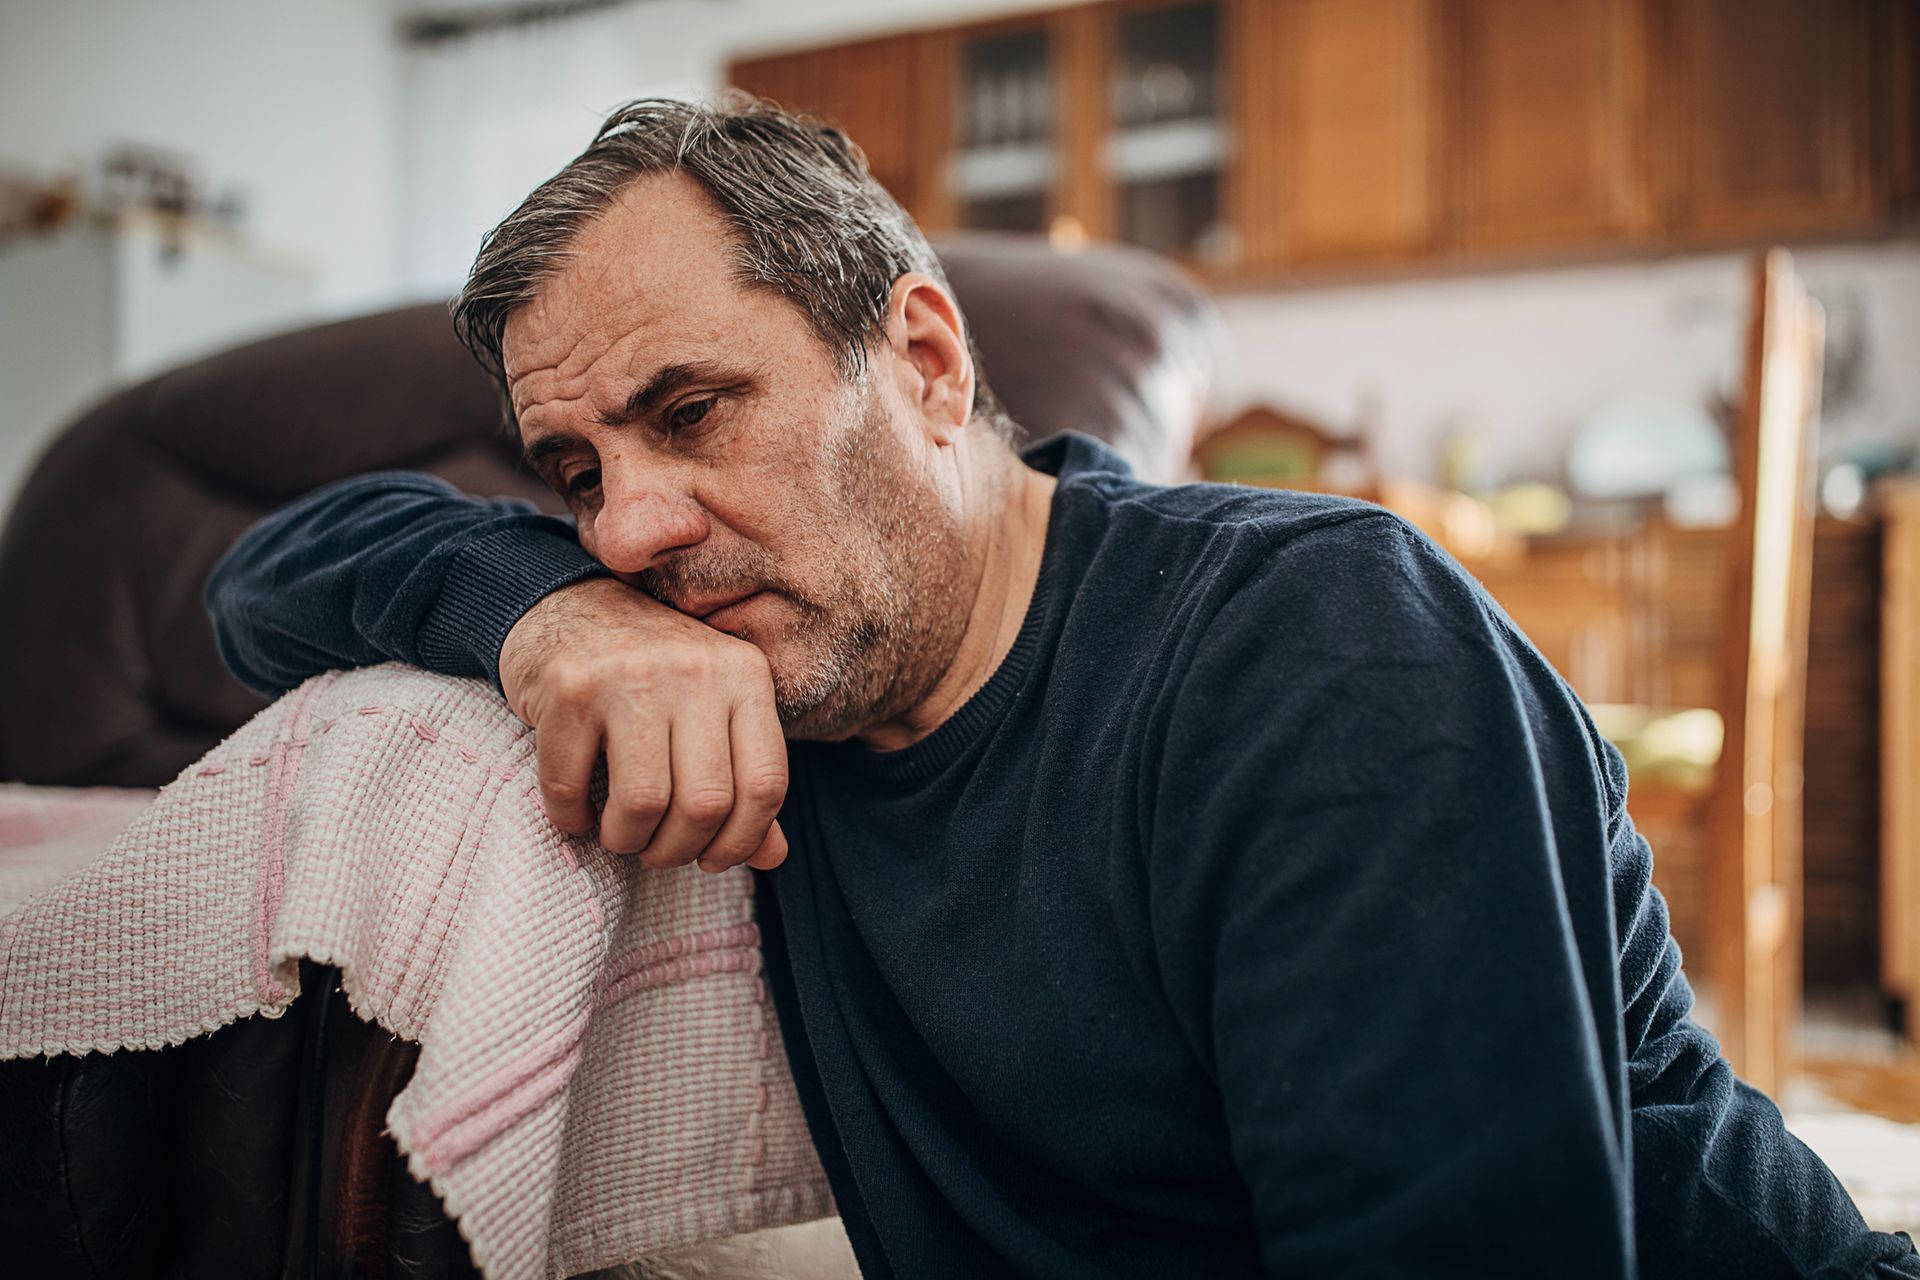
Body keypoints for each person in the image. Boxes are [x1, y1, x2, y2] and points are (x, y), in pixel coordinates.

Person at [206, 96, 1919, 1279]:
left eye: (694, 410)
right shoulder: (765, 649)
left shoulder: (1315, 650)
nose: (634, 522)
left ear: (930, 362)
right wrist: (544, 614)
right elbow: (261, 581)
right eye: (574, 472)